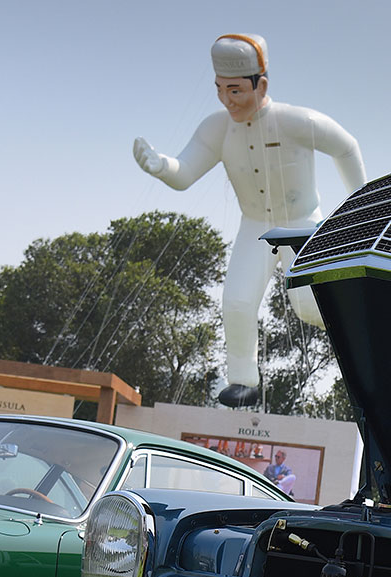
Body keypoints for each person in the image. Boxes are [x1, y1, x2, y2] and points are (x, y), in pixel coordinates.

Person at [133, 34, 366, 407]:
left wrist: (361, 204)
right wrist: (161, 166)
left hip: (302, 222)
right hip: (255, 225)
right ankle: (243, 380)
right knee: (237, 302)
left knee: (307, 304)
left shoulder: (296, 120)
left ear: (262, 85)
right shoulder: (216, 128)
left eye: (236, 91)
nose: (227, 100)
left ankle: (359, 335)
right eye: (220, 90)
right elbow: (185, 173)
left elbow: (346, 146)